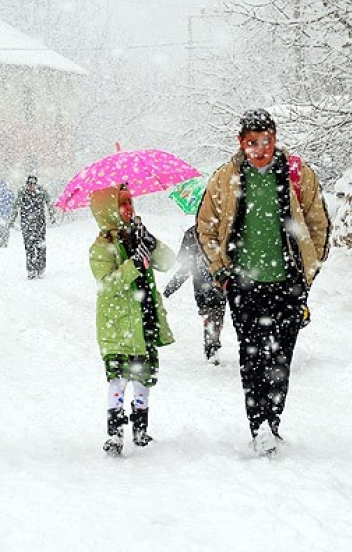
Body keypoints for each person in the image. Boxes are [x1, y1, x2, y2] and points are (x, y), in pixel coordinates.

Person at [196, 108, 330, 455]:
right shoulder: (226, 178)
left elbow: (318, 221)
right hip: (243, 285)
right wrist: (221, 270)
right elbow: (206, 227)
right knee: (252, 356)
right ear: (241, 143)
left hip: (287, 283)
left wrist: (307, 269)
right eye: (252, 142)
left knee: (281, 356)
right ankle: (258, 425)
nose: (260, 149)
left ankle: (274, 420)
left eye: (266, 141)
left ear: (275, 138)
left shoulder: (296, 174)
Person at [89, 184, 175, 455]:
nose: (129, 208)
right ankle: (115, 433)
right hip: (119, 324)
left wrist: (149, 241)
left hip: (144, 316)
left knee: (143, 376)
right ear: (108, 211)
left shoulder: (138, 237)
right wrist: (133, 266)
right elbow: (107, 284)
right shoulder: (101, 248)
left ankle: (141, 428)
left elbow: (168, 262)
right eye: (122, 204)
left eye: (130, 202)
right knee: (118, 378)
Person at [163, 225, 227, 364]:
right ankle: (212, 347)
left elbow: (186, 266)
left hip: (209, 284)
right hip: (212, 284)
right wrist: (171, 287)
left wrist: (171, 287)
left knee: (213, 315)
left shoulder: (193, 233)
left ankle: (212, 344)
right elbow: (186, 266)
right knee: (214, 315)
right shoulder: (219, 231)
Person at [12, 175, 52, 279]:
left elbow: (49, 203)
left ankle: (41, 268)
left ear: (36, 184)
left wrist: (52, 215)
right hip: (27, 225)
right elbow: (15, 206)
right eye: (30, 184)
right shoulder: (22, 193)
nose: (31, 186)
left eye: (33, 184)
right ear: (26, 184)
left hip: (40, 224)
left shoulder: (42, 192)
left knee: (41, 246)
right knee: (29, 247)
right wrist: (12, 220)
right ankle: (31, 270)